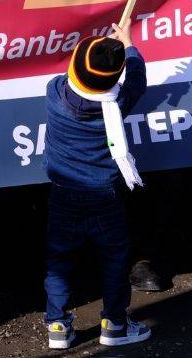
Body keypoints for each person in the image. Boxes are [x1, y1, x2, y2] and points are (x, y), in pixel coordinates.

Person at [43, 22, 151, 349]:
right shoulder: (117, 104)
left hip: (62, 198)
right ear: (113, 79)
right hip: (106, 199)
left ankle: (57, 326)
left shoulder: (54, 91)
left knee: (58, 261)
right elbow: (137, 80)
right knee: (115, 259)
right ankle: (115, 325)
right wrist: (128, 46)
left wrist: (108, 52)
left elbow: (76, 75)